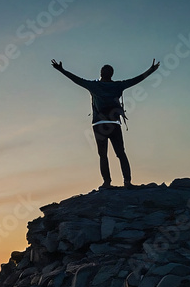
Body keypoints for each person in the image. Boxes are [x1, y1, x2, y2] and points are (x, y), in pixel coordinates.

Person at [51, 58, 160, 189]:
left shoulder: (94, 86)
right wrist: (151, 70)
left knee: (103, 155)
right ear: (111, 74)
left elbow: (77, 80)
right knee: (121, 153)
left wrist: (61, 70)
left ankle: (107, 183)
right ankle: (127, 182)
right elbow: (136, 80)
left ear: (101, 73)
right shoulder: (117, 86)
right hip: (113, 124)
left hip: (100, 125)